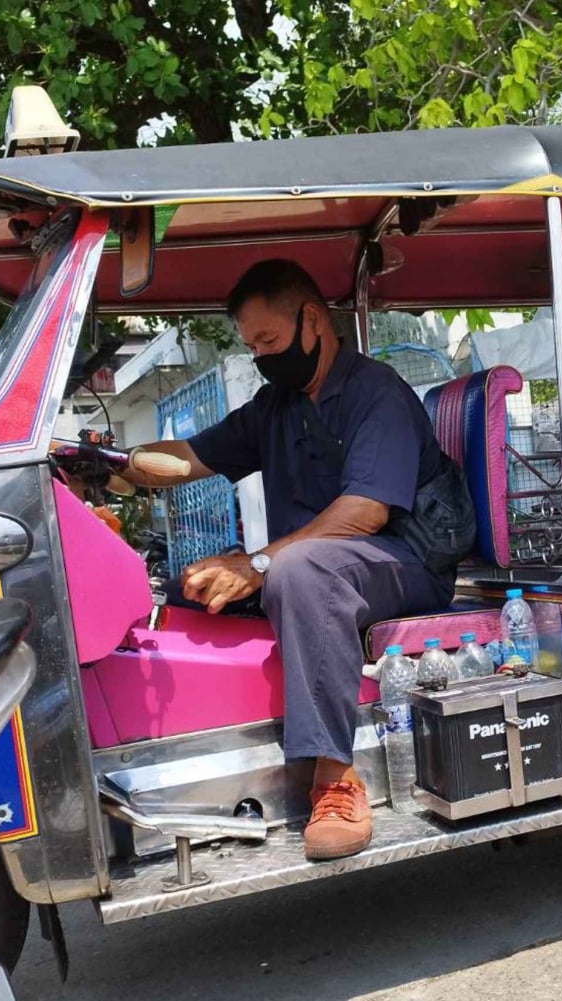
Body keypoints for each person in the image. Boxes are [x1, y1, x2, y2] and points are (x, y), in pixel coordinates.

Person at [121, 259, 456, 862]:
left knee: (297, 571)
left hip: (404, 564)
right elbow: (190, 458)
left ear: (312, 320)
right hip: (314, 569)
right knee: (191, 586)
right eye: (252, 346)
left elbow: (366, 511)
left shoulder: (373, 392)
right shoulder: (274, 406)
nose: (261, 356)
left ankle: (334, 777)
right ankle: (215, 755)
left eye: (269, 341)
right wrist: (116, 464)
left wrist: (257, 563)